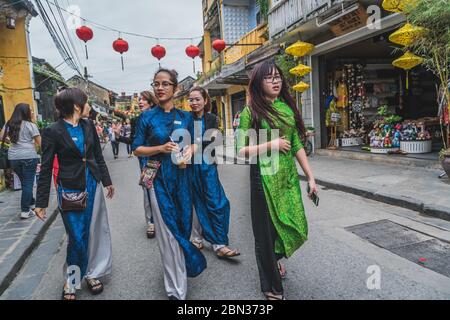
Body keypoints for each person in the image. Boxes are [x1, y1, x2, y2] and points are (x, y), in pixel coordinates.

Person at [236, 60, 318, 300]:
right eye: (269, 78)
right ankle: (271, 286)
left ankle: (275, 260)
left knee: (293, 223)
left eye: (278, 77)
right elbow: (241, 149)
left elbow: (295, 145)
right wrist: (271, 144)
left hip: (287, 177)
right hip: (263, 177)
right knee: (265, 233)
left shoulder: (286, 108)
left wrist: (310, 178)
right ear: (258, 83)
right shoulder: (250, 112)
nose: (275, 81)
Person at [35, 87, 115, 300]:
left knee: (92, 232)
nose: (90, 106)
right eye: (87, 103)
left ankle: (91, 272)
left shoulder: (88, 125)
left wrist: (106, 181)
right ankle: (71, 280)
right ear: (77, 106)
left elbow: (97, 156)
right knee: (77, 236)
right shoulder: (52, 131)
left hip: (92, 184)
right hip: (70, 187)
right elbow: (45, 168)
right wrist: (41, 202)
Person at [133, 68, 206, 300]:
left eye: (165, 84)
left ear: (175, 88)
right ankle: (175, 289)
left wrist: (188, 152)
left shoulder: (186, 116)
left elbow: (196, 142)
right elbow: (137, 148)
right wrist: (160, 149)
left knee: (183, 226)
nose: (160, 88)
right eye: (156, 84)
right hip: (158, 178)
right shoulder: (146, 117)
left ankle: (181, 270)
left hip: (182, 178)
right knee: (167, 230)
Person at [188, 86, 240, 259]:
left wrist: (196, 144)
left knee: (219, 202)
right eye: (191, 99)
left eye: (197, 99)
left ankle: (219, 242)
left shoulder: (212, 118)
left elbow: (213, 139)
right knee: (196, 203)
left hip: (208, 166)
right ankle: (198, 237)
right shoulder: (186, 119)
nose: (194, 103)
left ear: (205, 100)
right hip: (190, 167)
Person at [114, 90, 159, 238]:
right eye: (139, 99)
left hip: (162, 158)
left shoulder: (161, 117)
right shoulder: (136, 120)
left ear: (151, 102)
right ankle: (151, 222)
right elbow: (134, 143)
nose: (140, 102)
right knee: (148, 190)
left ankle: (165, 219)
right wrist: (118, 136)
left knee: (163, 189)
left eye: (143, 99)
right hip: (146, 161)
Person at [0, 104, 41, 219]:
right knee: (28, 183)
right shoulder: (31, 125)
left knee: (25, 182)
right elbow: (40, 142)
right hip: (28, 156)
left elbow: (1, 136)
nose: (32, 112)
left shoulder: (9, 124)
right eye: (31, 111)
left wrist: (13, 140)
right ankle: (25, 210)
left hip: (13, 158)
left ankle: (32, 203)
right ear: (25, 112)